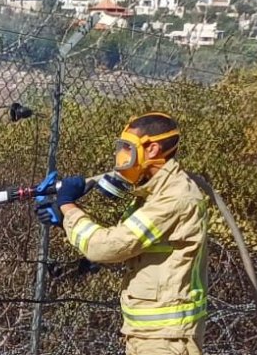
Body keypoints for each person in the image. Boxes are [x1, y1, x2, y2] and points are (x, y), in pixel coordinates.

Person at [37, 112, 208, 355]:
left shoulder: (175, 198)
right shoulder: (153, 193)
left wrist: (67, 205)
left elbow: (105, 247)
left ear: (152, 150)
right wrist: (67, 220)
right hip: (147, 334)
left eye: (127, 147)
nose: (121, 156)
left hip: (167, 339)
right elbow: (125, 242)